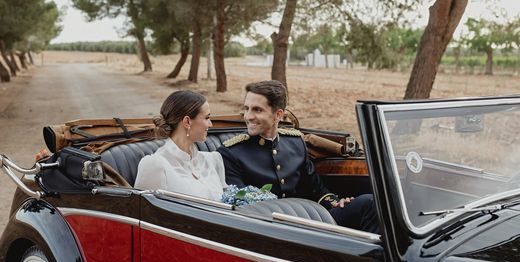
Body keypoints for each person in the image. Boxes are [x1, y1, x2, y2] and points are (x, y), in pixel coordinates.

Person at [217, 80, 379, 234]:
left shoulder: (295, 143)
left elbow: (317, 190)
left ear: (278, 115)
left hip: (309, 220)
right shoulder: (231, 152)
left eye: (257, 110)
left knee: (369, 203)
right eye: (246, 108)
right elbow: (240, 207)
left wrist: (336, 203)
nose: (248, 116)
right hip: (271, 230)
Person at [134, 90, 227, 199]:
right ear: (187, 122)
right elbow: (143, 212)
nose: (210, 124)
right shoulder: (155, 166)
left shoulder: (213, 160)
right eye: (207, 118)